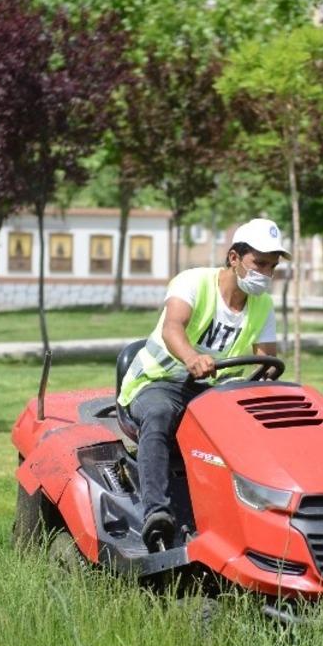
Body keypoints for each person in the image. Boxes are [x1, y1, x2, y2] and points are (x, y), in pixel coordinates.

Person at [118, 218, 289, 551]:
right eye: (259, 263)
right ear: (234, 258)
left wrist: (268, 377)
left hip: (212, 392)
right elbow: (172, 329)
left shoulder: (263, 305)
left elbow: (265, 359)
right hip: (158, 383)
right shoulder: (193, 282)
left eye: (271, 266)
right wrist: (191, 357)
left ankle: (261, 515)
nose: (265, 274)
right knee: (160, 415)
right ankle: (157, 514)